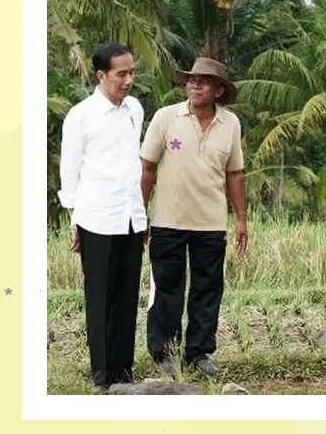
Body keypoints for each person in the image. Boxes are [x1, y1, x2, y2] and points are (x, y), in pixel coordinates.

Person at [140, 57, 247, 378]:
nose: (194, 84)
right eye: (191, 79)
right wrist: (140, 213)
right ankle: (164, 352)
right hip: (167, 222)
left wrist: (241, 219)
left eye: (203, 81)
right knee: (167, 289)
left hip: (211, 224)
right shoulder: (165, 118)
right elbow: (146, 169)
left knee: (207, 290)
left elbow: (235, 175)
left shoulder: (231, 124)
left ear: (217, 90)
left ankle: (199, 353)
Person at [57, 42, 147, 394]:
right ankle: (102, 375)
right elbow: (70, 172)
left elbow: (133, 166)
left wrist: (140, 216)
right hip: (96, 218)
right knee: (100, 298)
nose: (128, 80)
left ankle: (124, 373)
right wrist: (74, 220)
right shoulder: (81, 116)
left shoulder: (135, 110)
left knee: (127, 297)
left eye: (132, 72)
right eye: (121, 74)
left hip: (130, 217)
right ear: (101, 75)